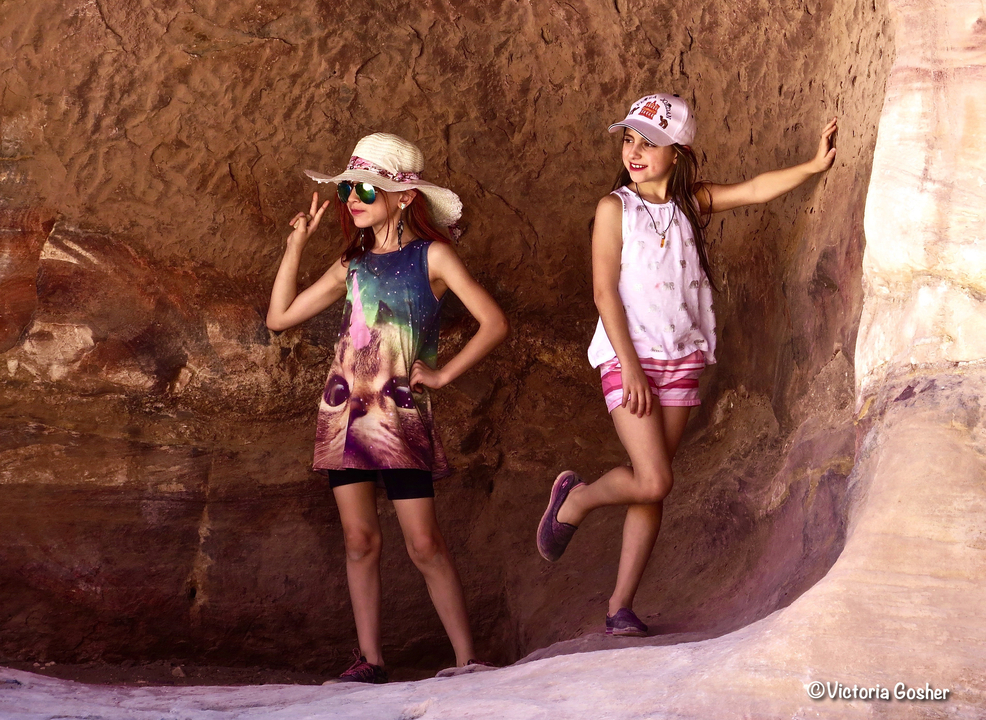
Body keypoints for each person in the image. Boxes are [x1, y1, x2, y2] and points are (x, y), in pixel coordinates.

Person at [537, 93, 838, 636]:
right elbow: (605, 292)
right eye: (629, 138)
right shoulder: (615, 208)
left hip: (681, 359)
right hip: (628, 358)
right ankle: (575, 501)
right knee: (652, 479)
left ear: (677, 152)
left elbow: (752, 190)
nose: (635, 150)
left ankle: (619, 606)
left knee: (656, 483)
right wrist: (629, 367)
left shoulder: (687, 207)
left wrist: (814, 166)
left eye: (650, 142)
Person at [267, 133, 508, 682]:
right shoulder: (351, 262)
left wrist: (443, 373)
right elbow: (279, 319)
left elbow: (494, 323)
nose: (352, 197)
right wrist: (295, 246)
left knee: (424, 543)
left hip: (398, 414)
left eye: (365, 189)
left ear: (403, 196)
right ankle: (370, 661)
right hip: (344, 413)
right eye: (349, 187)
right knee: (359, 540)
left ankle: (469, 661)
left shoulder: (435, 257)